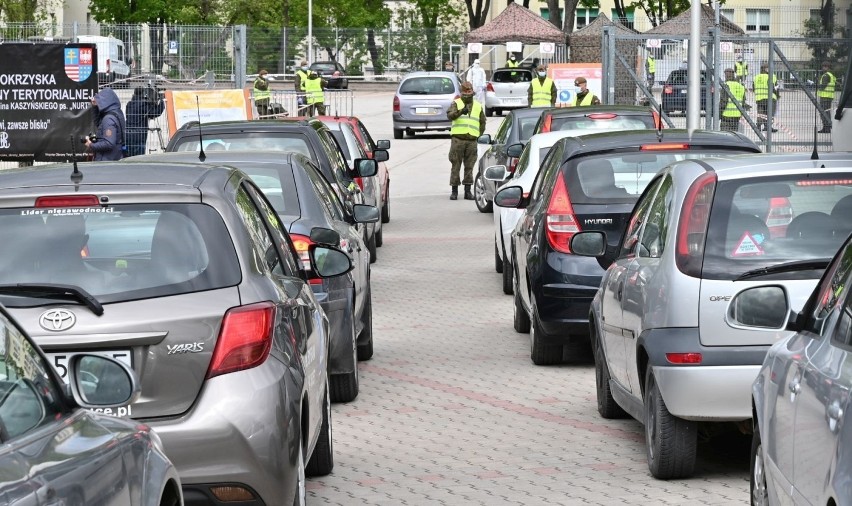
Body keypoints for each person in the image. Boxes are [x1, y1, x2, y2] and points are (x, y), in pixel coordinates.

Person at [446, 81, 486, 201]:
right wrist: (459, 112)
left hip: (472, 140)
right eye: (466, 91)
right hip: (458, 139)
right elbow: (450, 116)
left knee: (469, 166)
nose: (468, 93)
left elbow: (482, 122)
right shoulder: (456, 103)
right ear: (462, 92)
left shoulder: (478, 105)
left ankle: (468, 191)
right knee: (455, 165)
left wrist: (479, 134)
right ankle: (454, 191)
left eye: (469, 91)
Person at [85, 87, 126, 161]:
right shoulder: (116, 113)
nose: (98, 103)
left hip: (106, 161)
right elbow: (98, 123)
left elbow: (109, 143)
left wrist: (91, 145)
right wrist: (94, 107)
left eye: (100, 101)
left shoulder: (108, 119)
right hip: (114, 157)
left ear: (105, 101)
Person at [125, 85, 165, 157]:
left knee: (129, 157)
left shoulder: (129, 104)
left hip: (128, 135)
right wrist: (161, 102)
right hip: (139, 136)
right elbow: (155, 113)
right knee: (139, 158)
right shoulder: (143, 105)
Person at [753, 64, 779, 132]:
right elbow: (775, 88)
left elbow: (753, 88)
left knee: (761, 113)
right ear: (766, 69)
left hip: (759, 98)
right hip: (770, 98)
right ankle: (768, 126)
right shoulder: (772, 76)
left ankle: (758, 126)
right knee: (770, 113)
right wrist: (777, 95)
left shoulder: (756, 77)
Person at [720, 68, 746, 132]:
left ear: (725, 75)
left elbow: (724, 101)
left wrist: (719, 113)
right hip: (737, 115)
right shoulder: (741, 86)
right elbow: (743, 101)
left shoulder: (726, 85)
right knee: (734, 134)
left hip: (726, 115)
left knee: (725, 134)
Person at [818, 61, 836, 133]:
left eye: (824, 67)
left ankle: (827, 128)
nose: (823, 68)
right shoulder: (830, 75)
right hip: (828, 96)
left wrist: (818, 86)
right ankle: (826, 127)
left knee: (823, 112)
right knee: (826, 112)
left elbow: (823, 86)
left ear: (827, 67)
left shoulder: (826, 76)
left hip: (825, 96)